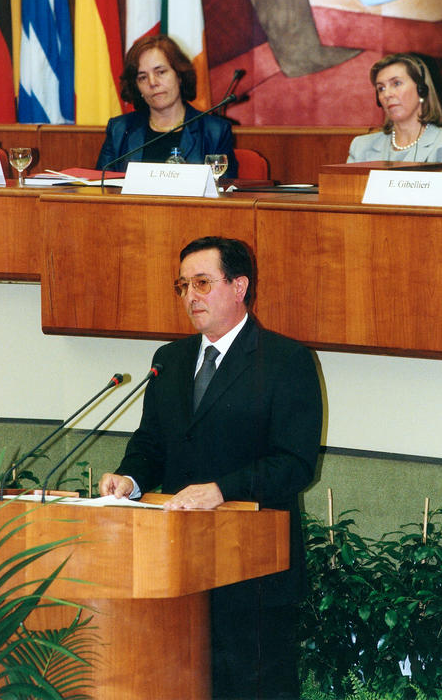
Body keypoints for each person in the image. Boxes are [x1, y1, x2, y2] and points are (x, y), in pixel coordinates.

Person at [99, 236, 323, 700]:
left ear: (239, 286)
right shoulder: (170, 359)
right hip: (180, 566)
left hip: (254, 570)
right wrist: (130, 478)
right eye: (183, 285)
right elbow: (151, 444)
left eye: (202, 282)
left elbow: (295, 464)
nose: (190, 296)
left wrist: (223, 489)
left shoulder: (287, 361)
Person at [96, 34, 238, 177]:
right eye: (143, 77)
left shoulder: (214, 131)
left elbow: (224, 192)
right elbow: (100, 189)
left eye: (161, 72)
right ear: (137, 86)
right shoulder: (119, 130)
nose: (152, 82)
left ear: (179, 75)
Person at [347, 53, 442, 185]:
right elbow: (345, 196)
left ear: (421, 90)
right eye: (381, 88)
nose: (387, 94)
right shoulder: (361, 146)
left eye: (396, 83)